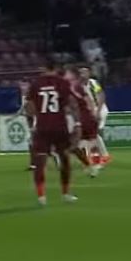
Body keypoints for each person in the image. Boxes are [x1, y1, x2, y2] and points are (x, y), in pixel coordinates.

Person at [27, 58, 80, 206]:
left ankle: (41, 196)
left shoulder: (36, 83)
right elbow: (72, 103)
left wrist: (34, 119)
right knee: (65, 159)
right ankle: (66, 193)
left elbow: (29, 108)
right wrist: (77, 123)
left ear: (44, 68)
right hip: (60, 126)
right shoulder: (63, 83)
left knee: (40, 162)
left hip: (42, 127)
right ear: (56, 68)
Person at [67, 68, 101, 177]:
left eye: (68, 73)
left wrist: (93, 113)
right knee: (79, 144)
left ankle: (94, 165)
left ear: (73, 75)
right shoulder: (74, 87)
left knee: (91, 142)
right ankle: (91, 165)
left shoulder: (76, 86)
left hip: (85, 118)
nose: (65, 75)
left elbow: (88, 100)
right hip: (79, 118)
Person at [79, 66, 110, 165]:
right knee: (90, 134)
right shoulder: (79, 86)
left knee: (95, 133)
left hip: (99, 109)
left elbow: (101, 96)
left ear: (89, 73)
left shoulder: (93, 83)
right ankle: (98, 156)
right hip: (90, 111)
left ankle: (100, 156)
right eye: (81, 72)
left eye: (85, 72)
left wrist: (98, 112)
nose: (83, 74)